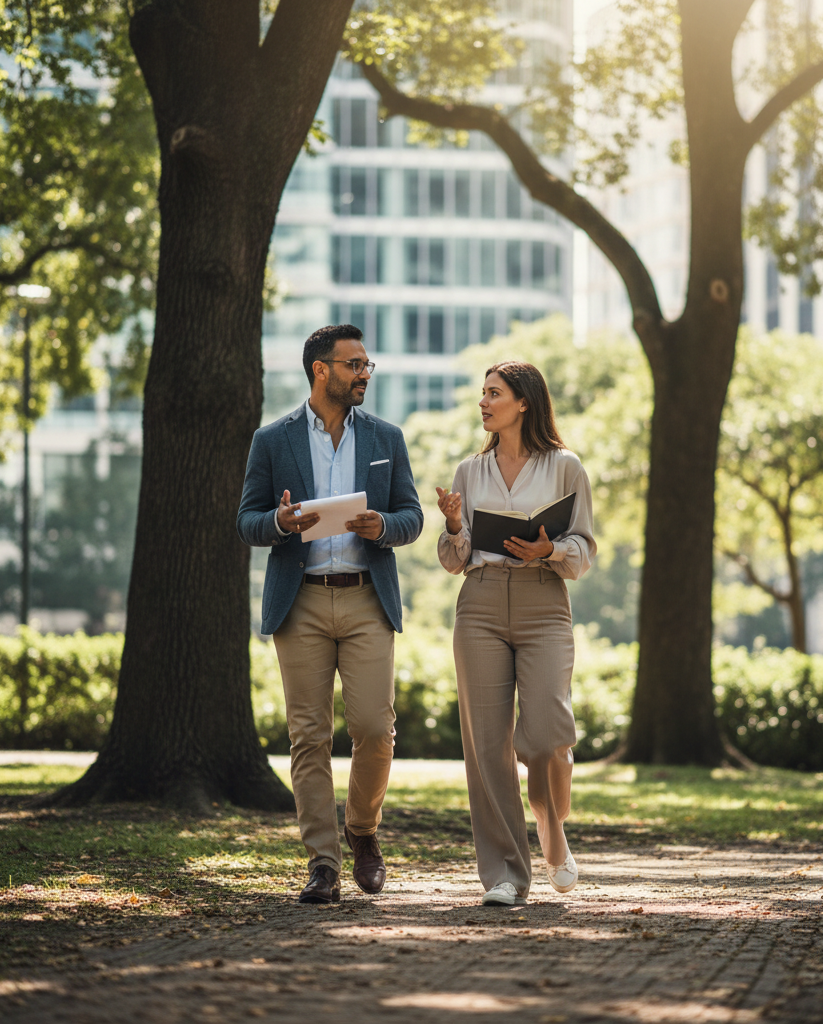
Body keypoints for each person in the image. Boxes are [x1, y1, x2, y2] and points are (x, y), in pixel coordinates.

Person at [237, 324, 423, 904]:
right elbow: (247, 521)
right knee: (309, 737)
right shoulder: (273, 440)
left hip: (368, 597)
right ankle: (323, 862)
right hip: (302, 602)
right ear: (321, 370)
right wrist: (279, 522)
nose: (364, 373)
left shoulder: (387, 437)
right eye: (353, 365)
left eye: (367, 364)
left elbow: (413, 516)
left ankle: (362, 830)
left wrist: (383, 526)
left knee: (374, 730)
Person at [436, 360, 596, 906]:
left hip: (543, 601)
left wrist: (550, 548)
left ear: (523, 402)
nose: (483, 403)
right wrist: (453, 524)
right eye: (482, 394)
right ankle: (505, 873)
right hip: (479, 604)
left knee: (549, 735)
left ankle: (551, 822)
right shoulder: (469, 471)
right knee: (487, 746)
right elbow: (454, 559)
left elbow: (584, 548)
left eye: (494, 393)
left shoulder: (566, 467)